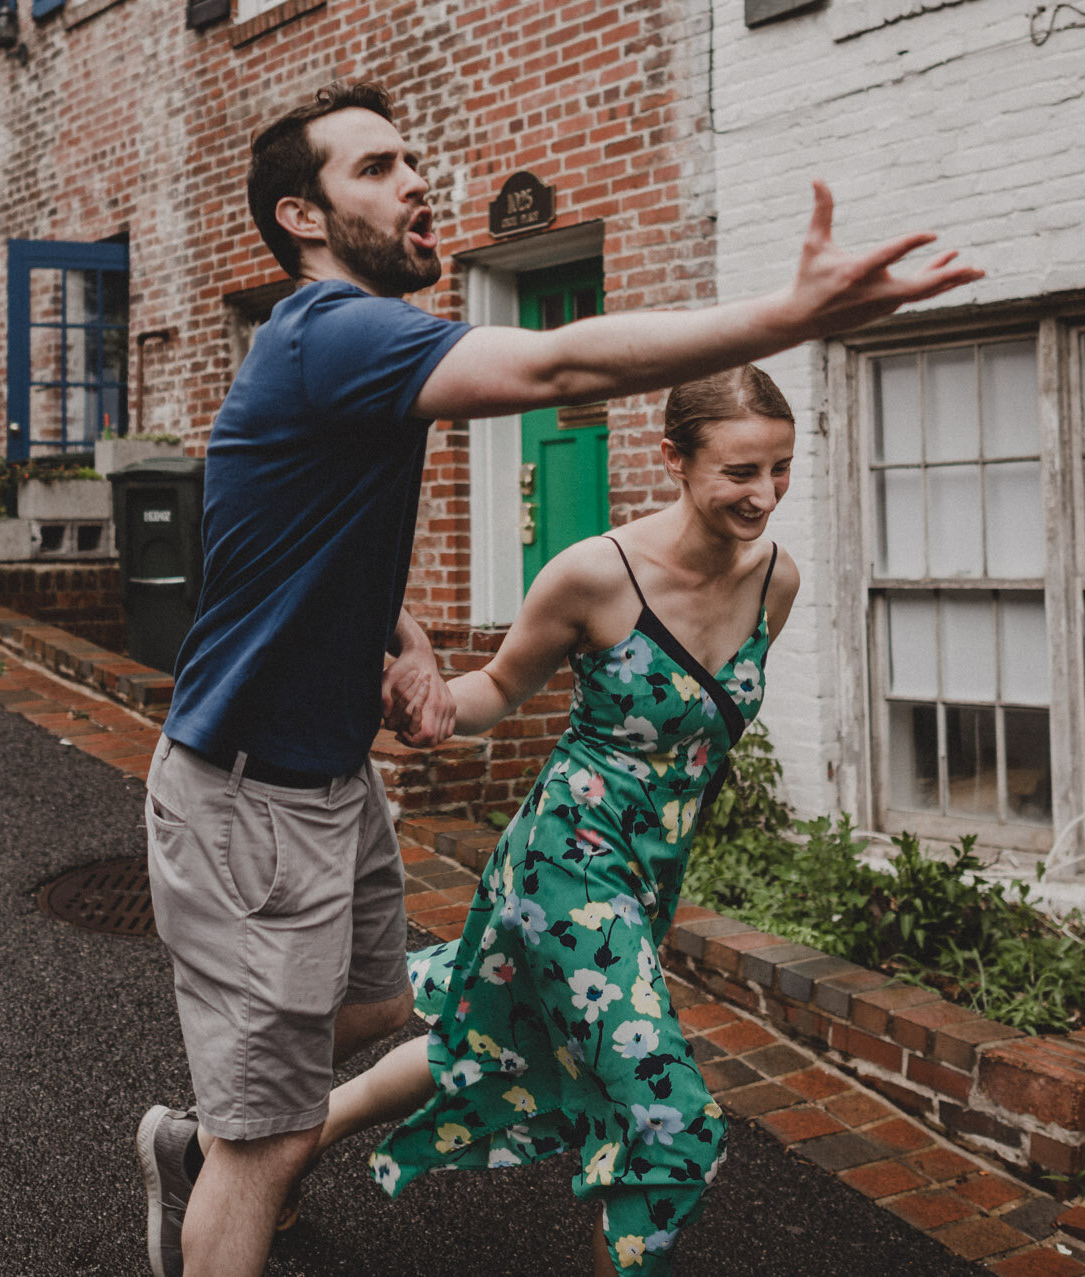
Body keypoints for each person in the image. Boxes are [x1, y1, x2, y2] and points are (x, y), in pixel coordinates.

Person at [138, 82, 978, 1277]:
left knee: (376, 1019)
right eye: (376, 167)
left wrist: (400, 629)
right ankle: (218, 1156)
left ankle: (231, 1124)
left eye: (412, 157)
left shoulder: (344, 361)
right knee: (263, 1135)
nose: (415, 178)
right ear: (303, 216)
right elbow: (558, 368)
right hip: (248, 798)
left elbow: (262, 523)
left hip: (329, 786)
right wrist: (787, 313)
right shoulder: (331, 330)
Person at [312, 364, 800, 1275]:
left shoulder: (776, 581)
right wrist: (421, 707)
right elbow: (498, 684)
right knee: (669, 1122)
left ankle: (231, 1149)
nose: (764, 494)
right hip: (566, 862)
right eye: (740, 471)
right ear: (674, 460)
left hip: (645, 873)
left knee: (486, 1038)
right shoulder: (595, 574)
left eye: (780, 467)